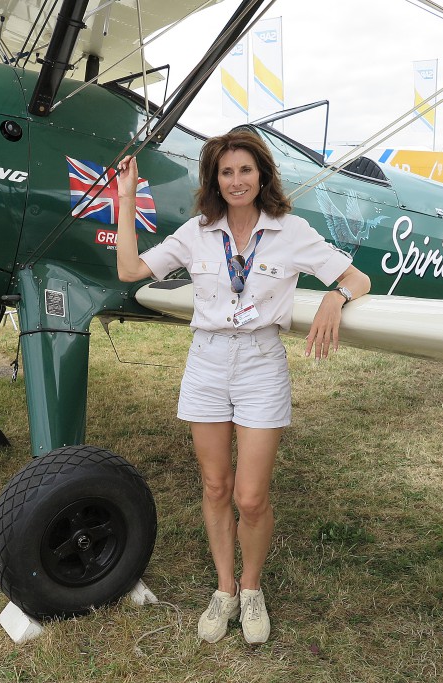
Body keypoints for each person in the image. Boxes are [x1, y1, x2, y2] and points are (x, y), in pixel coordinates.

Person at [115, 129, 370, 645]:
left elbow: (357, 279)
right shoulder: (197, 232)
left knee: (250, 497)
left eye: (245, 170)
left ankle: (252, 590)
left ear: (262, 175)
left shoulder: (290, 231)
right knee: (215, 487)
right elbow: (130, 270)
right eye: (226, 172)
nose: (236, 181)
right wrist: (125, 199)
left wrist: (334, 298)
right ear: (215, 180)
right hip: (207, 362)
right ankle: (225, 589)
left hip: (260, 363)